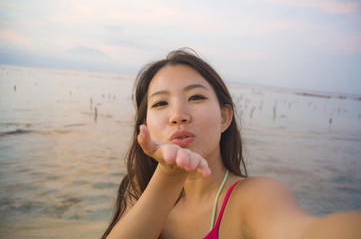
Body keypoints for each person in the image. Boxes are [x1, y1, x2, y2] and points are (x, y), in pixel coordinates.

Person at [101, 48, 361, 239]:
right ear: (144, 125)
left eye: (196, 97)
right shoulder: (140, 187)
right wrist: (168, 177)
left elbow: (305, 232)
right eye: (160, 103)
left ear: (224, 117)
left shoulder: (253, 197)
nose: (178, 114)